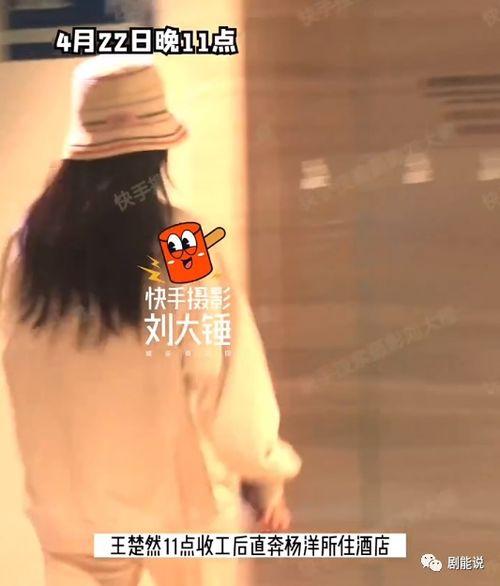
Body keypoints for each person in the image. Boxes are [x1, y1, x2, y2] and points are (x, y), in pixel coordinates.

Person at [0, 55, 301, 586]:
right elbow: (218, 373)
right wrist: (263, 471)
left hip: (65, 515)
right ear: (155, 154)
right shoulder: (180, 242)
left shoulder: (26, 251)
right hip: (166, 512)